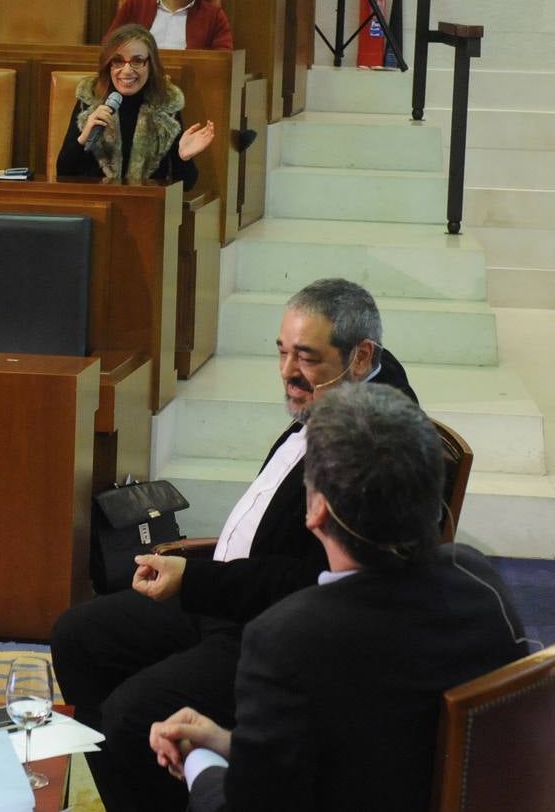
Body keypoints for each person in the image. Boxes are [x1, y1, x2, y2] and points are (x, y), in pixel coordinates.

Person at [49, 278, 419, 812]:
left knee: (132, 713)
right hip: (229, 593)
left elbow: (313, 581)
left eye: (307, 358)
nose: (289, 373)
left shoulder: (372, 441)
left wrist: (195, 579)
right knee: (79, 635)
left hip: (272, 626)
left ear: (361, 357)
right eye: (283, 353)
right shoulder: (342, 393)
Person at [146, 383, 529, 811]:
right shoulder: (480, 582)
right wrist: (231, 744)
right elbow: (378, 755)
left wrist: (201, 759)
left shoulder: (286, 639)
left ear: (316, 511)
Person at [55, 23, 214, 184]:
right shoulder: (90, 100)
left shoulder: (165, 106)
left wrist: (184, 158)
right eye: (118, 61)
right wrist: (83, 138)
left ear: (150, 65)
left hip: (145, 205)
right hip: (96, 203)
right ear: (108, 65)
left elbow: (186, 185)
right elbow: (63, 172)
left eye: (137, 61)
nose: (127, 71)